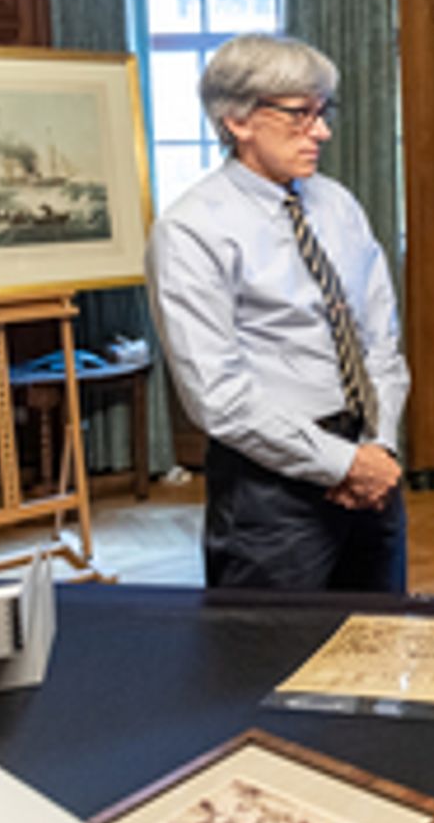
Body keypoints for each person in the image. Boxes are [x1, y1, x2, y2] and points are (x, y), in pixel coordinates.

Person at [146, 34, 409, 591]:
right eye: (300, 115)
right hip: (270, 492)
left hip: (371, 466)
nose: (322, 132)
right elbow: (218, 395)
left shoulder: (337, 204)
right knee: (267, 664)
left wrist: (377, 449)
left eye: (322, 112)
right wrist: (340, 465)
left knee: (381, 649)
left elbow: (380, 340)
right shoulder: (191, 229)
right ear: (237, 121)